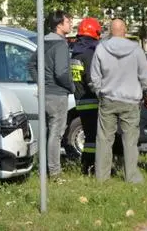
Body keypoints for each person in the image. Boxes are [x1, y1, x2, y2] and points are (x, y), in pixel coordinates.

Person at [90, 18, 147, 183]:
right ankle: (131, 176)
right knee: (130, 140)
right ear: (125, 30)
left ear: (111, 31)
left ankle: (102, 177)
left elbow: (94, 76)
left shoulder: (101, 48)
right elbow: (145, 75)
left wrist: (99, 92)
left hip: (108, 99)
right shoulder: (136, 50)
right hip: (131, 101)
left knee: (104, 139)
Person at [28, 10, 75, 178]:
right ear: (59, 25)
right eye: (68, 22)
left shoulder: (43, 42)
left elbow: (31, 65)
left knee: (47, 132)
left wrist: (40, 82)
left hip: (45, 94)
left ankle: (43, 168)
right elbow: (61, 73)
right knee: (56, 134)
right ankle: (54, 172)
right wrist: (71, 87)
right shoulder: (61, 44)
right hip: (57, 94)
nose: (71, 24)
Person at [69, 17, 102, 175]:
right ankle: (90, 167)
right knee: (93, 138)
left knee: (89, 136)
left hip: (80, 100)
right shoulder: (89, 54)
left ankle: (86, 165)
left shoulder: (76, 53)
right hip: (92, 100)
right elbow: (91, 79)